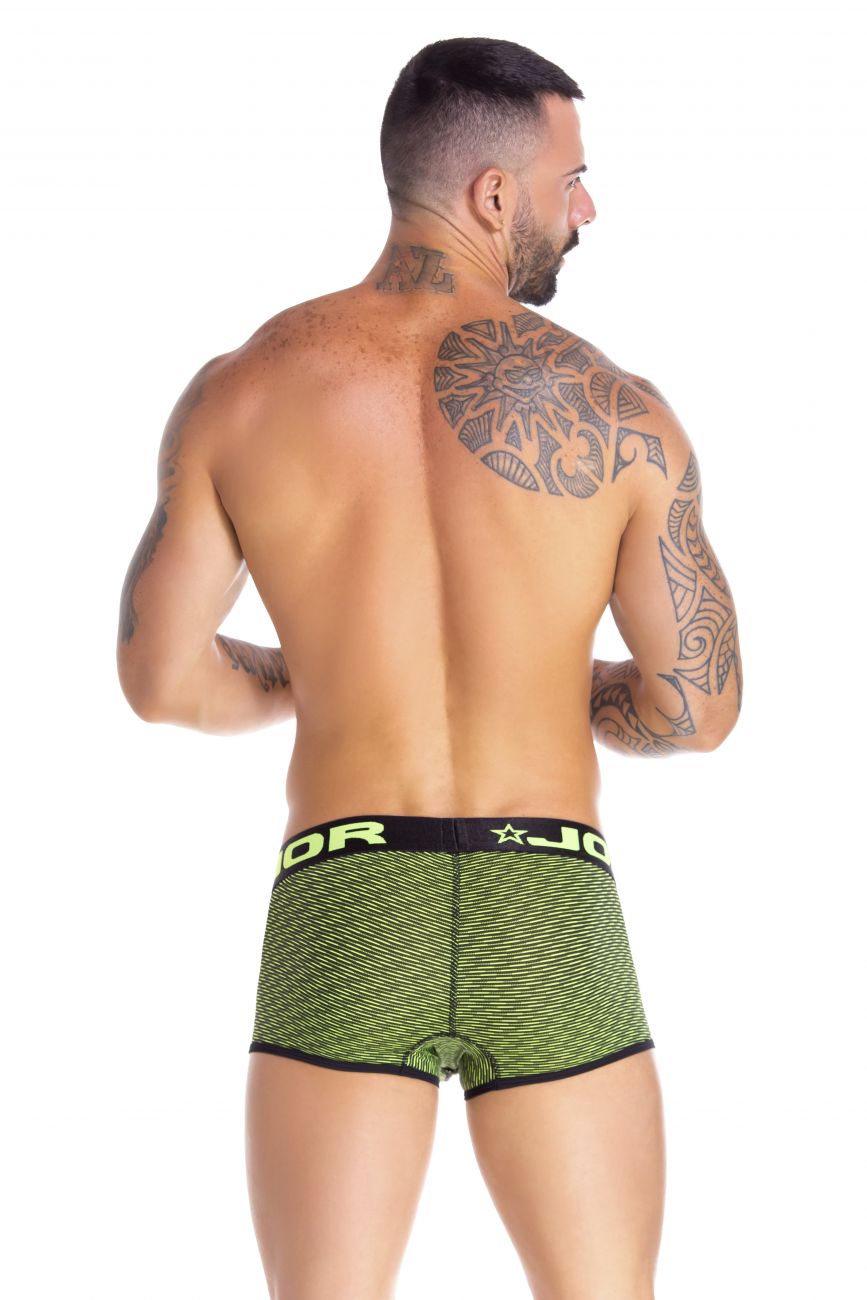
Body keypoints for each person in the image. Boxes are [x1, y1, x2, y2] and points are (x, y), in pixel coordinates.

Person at [116, 35, 743, 1300]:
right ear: (493, 194)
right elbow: (696, 709)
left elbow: (163, 680)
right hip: (544, 900)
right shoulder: (619, 412)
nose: (587, 209)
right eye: (572, 179)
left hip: (348, 897)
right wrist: (553, 682)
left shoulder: (242, 394)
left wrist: (325, 674)